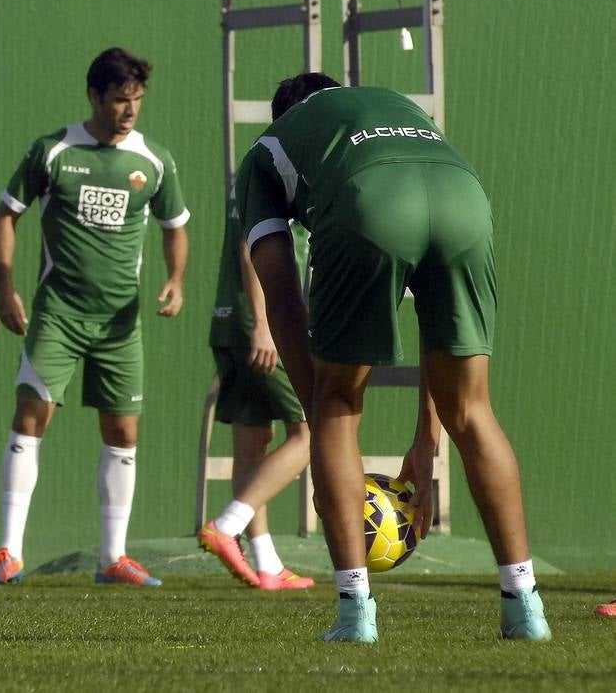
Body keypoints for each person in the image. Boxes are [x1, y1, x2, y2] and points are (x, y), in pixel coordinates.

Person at [236, 74, 551, 642]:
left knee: (336, 404)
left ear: (283, 116)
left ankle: (356, 613)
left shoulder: (268, 149)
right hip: (464, 198)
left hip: (370, 201)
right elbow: (435, 331)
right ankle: (525, 608)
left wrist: (318, 413)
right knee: (474, 410)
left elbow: (282, 301)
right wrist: (426, 448)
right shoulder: (394, 107)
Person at [0, 48, 188, 588]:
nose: (129, 111)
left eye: (137, 101)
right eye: (120, 100)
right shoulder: (53, 151)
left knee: (123, 431)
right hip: (58, 316)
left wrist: (175, 278)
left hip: (120, 325)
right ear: (94, 96)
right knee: (30, 418)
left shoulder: (153, 160)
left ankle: (113, 558)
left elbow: (175, 225)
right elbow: (7, 216)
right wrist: (6, 289)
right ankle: (8, 552)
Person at [196, 80, 321, 592]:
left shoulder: (250, 167)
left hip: (230, 323)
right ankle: (225, 527)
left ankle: (266, 562)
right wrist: (267, 324)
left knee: (254, 439)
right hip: (259, 324)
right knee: (313, 432)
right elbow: (255, 250)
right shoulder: (281, 170)